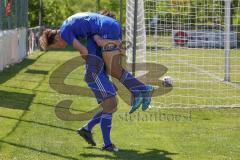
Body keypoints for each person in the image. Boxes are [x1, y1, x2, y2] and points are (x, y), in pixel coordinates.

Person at [39, 11, 154, 152]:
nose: (61, 47)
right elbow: (94, 45)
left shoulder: (65, 32)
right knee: (111, 102)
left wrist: (101, 57)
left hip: (95, 72)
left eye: (56, 46)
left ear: (56, 37)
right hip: (95, 74)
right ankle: (107, 145)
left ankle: (87, 129)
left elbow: (84, 51)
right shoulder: (89, 30)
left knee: (112, 104)